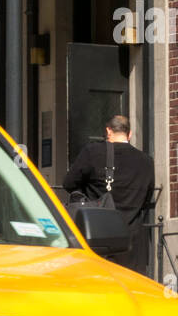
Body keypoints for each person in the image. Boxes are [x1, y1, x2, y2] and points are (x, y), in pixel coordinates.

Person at [63, 115, 154, 275]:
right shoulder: (146, 161)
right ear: (129, 134)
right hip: (131, 240)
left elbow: (69, 183)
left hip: (99, 237)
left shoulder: (93, 152)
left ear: (108, 131)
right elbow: (147, 198)